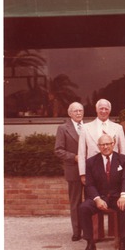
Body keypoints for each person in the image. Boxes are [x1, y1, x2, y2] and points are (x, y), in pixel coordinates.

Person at [78, 134, 125, 250]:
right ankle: (90, 243)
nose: (106, 147)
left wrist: (123, 196)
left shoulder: (123, 160)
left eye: (108, 144)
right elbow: (89, 184)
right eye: (102, 144)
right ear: (98, 146)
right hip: (99, 196)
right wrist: (97, 199)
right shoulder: (91, 162)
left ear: (113, 144)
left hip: (117, 196)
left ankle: (123, 242)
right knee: (83, 208)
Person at [77, 98, 125, 183]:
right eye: (101, 108)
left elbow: (123, 151)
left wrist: (123, 170)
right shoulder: (85, 128)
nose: (103, 111)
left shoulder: (118, 128)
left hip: (113, 169)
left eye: (106, 109)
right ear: (96, 109)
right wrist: (83, 173)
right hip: (93, 169)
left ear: (110, 110)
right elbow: (81, 153)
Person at [54, 101, 85, 241]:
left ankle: (91, 230)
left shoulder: (88, 127)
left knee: (92, 200)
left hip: (89, 170)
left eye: (80, 110)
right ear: (69, 113)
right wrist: (74, 157)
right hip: (73, 170)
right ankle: (77, 231)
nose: (78, 113)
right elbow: (58, 150)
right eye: (75, 111)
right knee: (76, 201)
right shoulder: (63, 128)